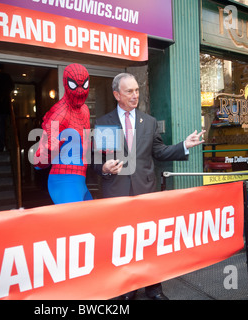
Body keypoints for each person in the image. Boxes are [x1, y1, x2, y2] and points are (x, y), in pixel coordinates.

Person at [93, 73, 205, 300]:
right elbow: (95, 162)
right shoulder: (104, 123)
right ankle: (128, 288)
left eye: (137, 90)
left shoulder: (149, 121)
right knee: (124, 244)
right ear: (117, 95)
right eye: (129, 91)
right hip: (117, 194)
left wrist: (184, 145)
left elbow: (160, 152)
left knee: (148, 242)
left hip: (145, 191)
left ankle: (154, 288)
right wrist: (104, 167)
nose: (135, 96)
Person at [33, 63, 92, 204]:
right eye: (74, 85)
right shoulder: (59, 114)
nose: (80, 91)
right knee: (76, 224)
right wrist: (50, 149)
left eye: (84, 85)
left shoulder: (84, 110)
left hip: (80, 180)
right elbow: (38, 161)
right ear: (66, 84)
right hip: (63, 180)